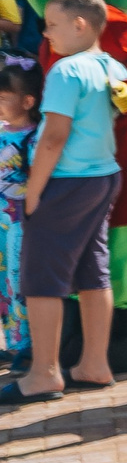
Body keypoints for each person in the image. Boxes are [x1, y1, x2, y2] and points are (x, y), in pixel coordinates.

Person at [6, 0, 127, 403]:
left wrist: (34, 193)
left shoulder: (65, 70)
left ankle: (44, 372)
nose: (45, 32)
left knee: (42, 278)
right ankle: (95, 363)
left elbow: (54, 137)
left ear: (80, 25)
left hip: (66, 181)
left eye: (53, 24)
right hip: (103, 176)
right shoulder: (110, 65)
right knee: (94, 272)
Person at [0, 61, 38, 367]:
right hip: (1, 221)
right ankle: (12, 342)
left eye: (3, 99)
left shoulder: (33, 138)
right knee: (3, 282)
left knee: (19, 279)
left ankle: (28, 346)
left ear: (27, 102)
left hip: (20, 223)